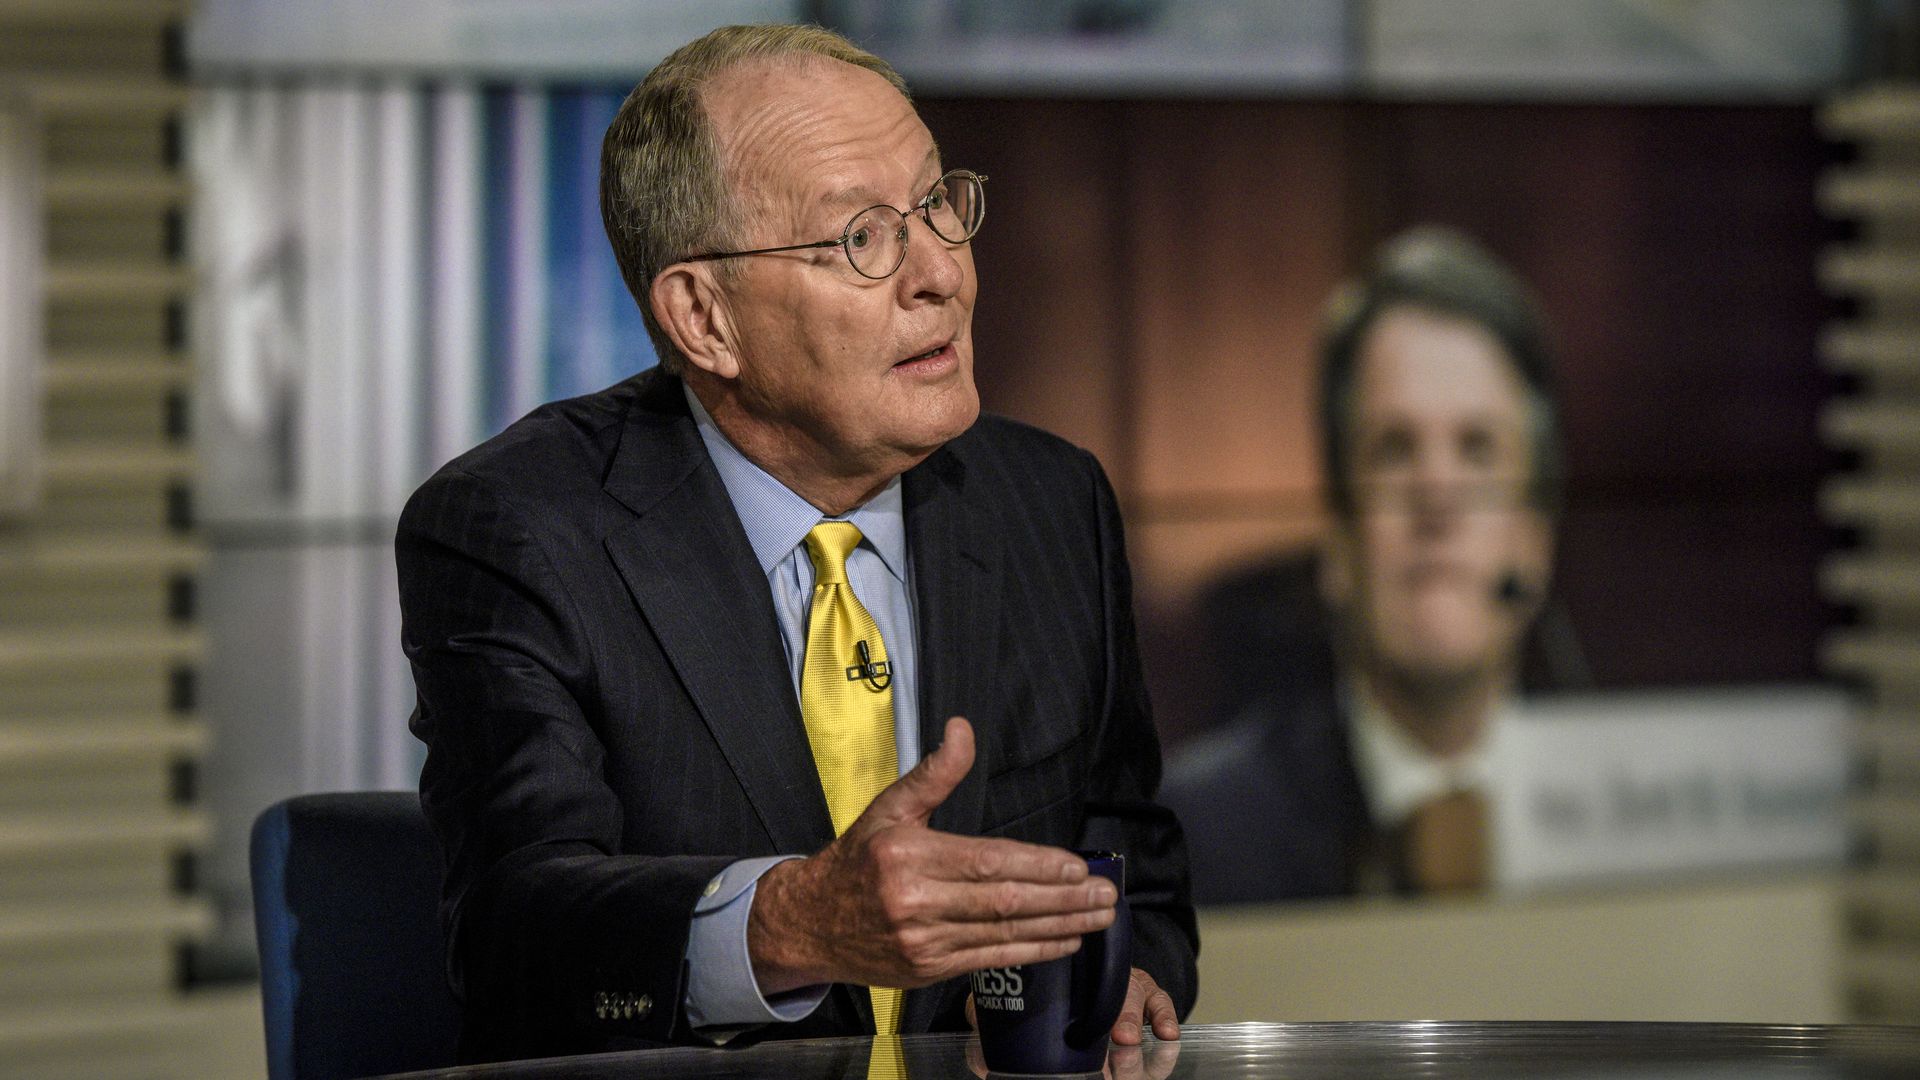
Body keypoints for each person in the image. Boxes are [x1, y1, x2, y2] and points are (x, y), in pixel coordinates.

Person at [396, 24, 1197, 1063]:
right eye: (864, 237)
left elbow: (1135, 858)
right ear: (704, 317)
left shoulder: (1048, 503)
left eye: (937, 204)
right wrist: (790, 923)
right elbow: (517, 932)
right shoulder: (522, 532)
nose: (940, 274)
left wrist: (1129, 977)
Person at [1161, 227, 1569, 903]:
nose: (1436, 496)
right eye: (1394, 449)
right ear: (1340, 544)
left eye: (1476, 449)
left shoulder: (1637, 806)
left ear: (1533, 537)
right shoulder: (1196, 837)